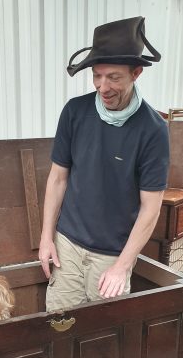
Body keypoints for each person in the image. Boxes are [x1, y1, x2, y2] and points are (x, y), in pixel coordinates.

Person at [39, 17, 169, 312]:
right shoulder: (74, 112)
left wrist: (123, 266)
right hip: (67, 246)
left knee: (104, 339)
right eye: (97, 76)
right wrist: (46, 238)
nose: (102, 86)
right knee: (59, 326)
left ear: (136, 73)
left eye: (114, 77)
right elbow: (58, 179)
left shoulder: (153, 130)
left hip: (113, 253)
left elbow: (151, 208)